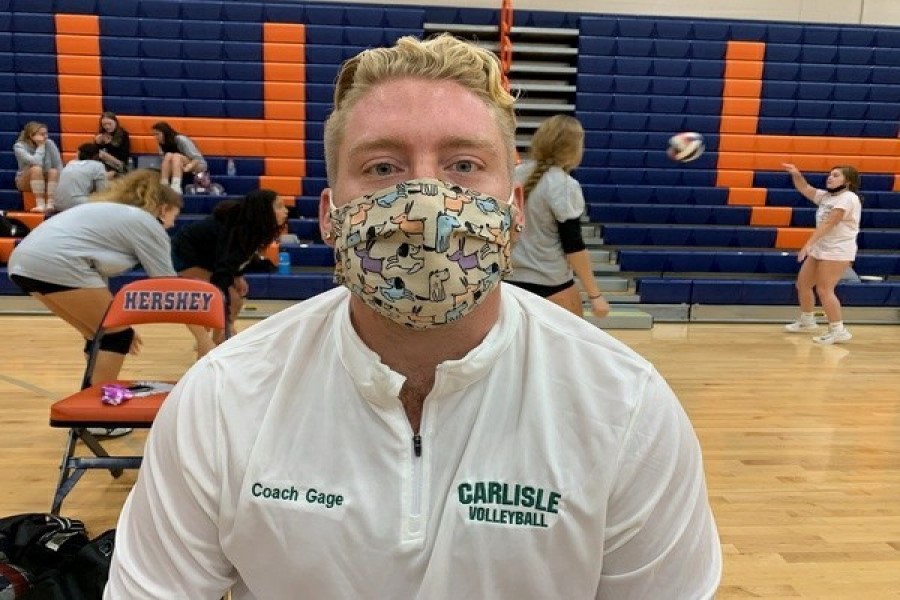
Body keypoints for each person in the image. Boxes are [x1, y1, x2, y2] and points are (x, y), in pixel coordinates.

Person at [105, 35, 721, 599]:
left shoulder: (627, 407)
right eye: (382, 168)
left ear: (514, 210)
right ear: (328, 216)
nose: (426, 205)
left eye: (463, 166)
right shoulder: (223, 396)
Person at [7, 169, 216, 389]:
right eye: (175, 215)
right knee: (117, 336)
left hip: (23, 264)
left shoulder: (108, 213)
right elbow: (170, 288)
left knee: (98, 335)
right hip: (57, 263)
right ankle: (97, 414)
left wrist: (117, 321)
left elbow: (95, 272)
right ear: (163, 209)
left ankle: (86, 410)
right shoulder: (146, 222)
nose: (173, 224)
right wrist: (203, 339)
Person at [506, 114, 610, 318]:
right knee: (569, 348)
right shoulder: (564, 185)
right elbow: (573, 246)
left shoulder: (513, 175)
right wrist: (595, 295)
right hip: (552, 284)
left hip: (509, 283)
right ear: (574, 149)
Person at [171, 189, 289, 345]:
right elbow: (223, 269)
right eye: (279, 207)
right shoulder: (238, 231)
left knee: (235, 299)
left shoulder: (252, 228)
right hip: (186, 255)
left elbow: (235, 259)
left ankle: (218, 338)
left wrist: (238, 275)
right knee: (230, 298)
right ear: (264, 211)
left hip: (209, 258)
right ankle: (216, 340)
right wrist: (223, 316)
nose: (286, 211)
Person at [782, 163, 862, 344]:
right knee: (803, 283)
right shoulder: (827, 196)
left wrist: (807, 245)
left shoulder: (848, 198)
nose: (830, 178)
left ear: (847, 181)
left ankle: (838, 330)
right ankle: (807, 319)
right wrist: (796, 174)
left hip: (838, 250)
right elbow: (804, 188)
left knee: (825, 290)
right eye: (830, 175)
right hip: (822, 247)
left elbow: (829, 223)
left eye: (835, 175)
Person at [13, 121, 63, 213]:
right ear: (31, 136)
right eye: (42, 134)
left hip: (45, 178)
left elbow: (58, 164)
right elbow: (36, 162)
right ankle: (40, 204)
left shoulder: (50, 143)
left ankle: (50, 204)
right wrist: (41, 146)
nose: (46, 137)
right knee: (36, 169)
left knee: (54, 171)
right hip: (25, 180)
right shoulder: (19, 146)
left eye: (46, 134)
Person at [151, 121, 207, 194]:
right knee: (168, 155)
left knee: (176, 156)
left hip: (196, 165)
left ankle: (176, 186)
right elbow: (164, 160)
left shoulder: (181, 139)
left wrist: (188, 167)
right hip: (177, 166)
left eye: (157, 134)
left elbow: (197, 159)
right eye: (154, 135)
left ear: (165, 133)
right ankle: (164, 184)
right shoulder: (160, 144)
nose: (155, 137)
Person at [53, 142, 108, 212]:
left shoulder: (70, 163)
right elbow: (103, 192)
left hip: (57, 204)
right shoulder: (98, 165)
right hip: (77, 204)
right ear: (97, 156)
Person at [94, 111, 131, 175]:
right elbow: (95, 152)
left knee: (101, 154)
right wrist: (97, 143)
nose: (107, 127)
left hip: (120, 164)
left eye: (110, 124)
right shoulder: (102, 134)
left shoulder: (122, 134)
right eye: (104, 125)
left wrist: (108, 144)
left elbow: (123, 155)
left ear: (115, 123)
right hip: (104, 163)